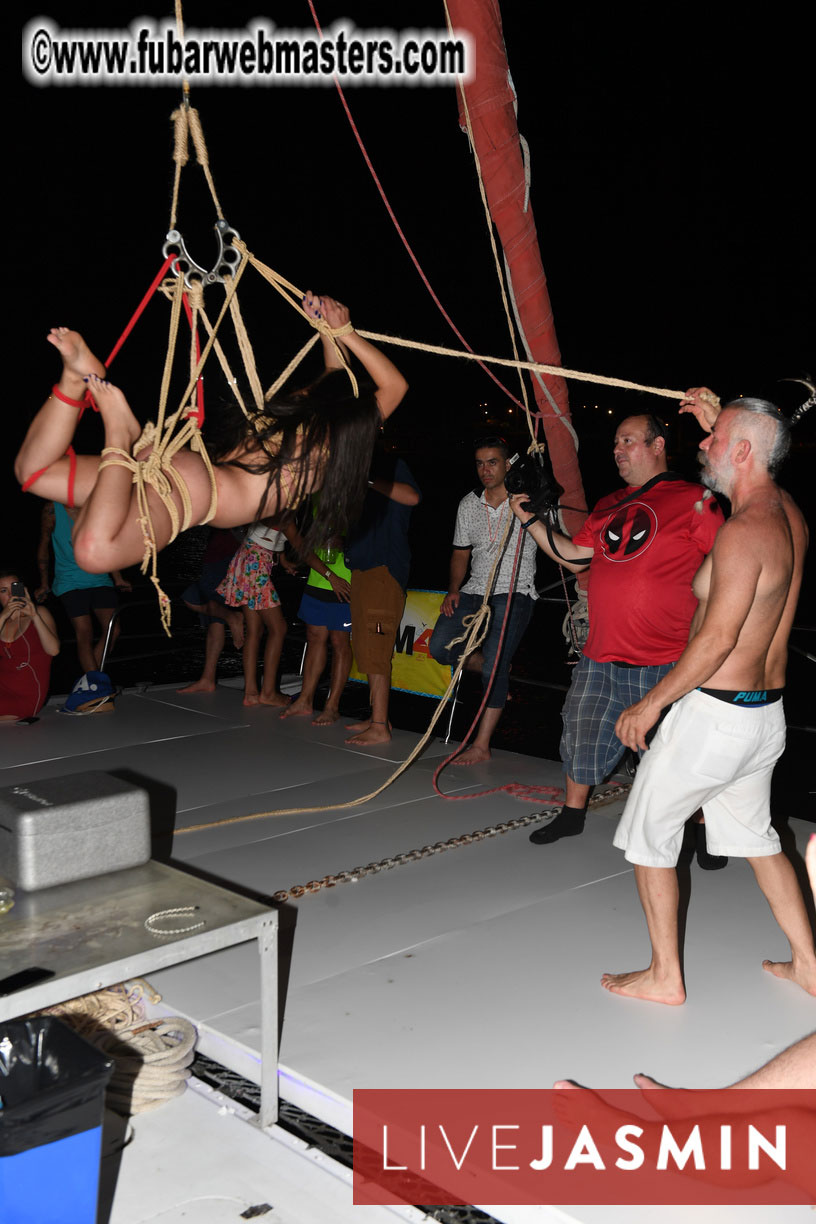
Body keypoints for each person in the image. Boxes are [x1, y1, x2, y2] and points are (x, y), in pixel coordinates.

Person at [604, 393, 815, 1004]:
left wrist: (652, 705)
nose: (701, 444)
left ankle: (665, 976)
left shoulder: (744, 534)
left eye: (714, 437)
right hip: (763, 718)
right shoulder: (787, 515)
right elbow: (744, 460)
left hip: (714, 719)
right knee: (757, 840)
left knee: (648, 837)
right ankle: (808, 963)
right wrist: (716, 420)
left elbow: (718, 640)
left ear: (744, 450)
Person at [15, 293, 408, 579]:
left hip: (181, 473)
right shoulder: (328, 442)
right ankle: (120, 432)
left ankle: (73, 378)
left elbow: (339, 380)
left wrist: (332, 331)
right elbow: (392, 386)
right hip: (200, 492)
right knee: (93, 552)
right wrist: (339, 331)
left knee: (33, 473)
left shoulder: (314, 426)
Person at [510, 412, 724, 843]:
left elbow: (727, 563)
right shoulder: (609, 504)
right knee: (580, 730)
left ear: (657, 445)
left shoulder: (696, 498)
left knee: (676, 753)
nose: (617, 449)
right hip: (601, 651)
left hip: (668, 657)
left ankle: (702, 828)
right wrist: (529, 518)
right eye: (615, 442)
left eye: (628, 441)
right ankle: (573, 813)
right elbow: (573, 556)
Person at [429, 436, 538, 764]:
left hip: (514, 591)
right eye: (480, 463)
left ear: (508, 464)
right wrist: (453, 589)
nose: (485, 470)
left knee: (494, 666)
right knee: (439, 648)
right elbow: (460, 554)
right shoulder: (468, 504)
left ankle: (481, 745)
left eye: (492, 462)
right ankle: (495, 670)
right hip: (474, 590)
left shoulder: (526, 500)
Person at [343, 449, 421, 746]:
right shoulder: (360, 478)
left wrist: (367, 480)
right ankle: (378, 717)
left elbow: (412, 497)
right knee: (365, 648)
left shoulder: (391, 464)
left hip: (384, 572)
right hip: (362, 572)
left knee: (376, 649)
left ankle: (379, 726)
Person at [35, 501, 131, 677]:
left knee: (113, 631)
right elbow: (44, 545)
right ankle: (95, 684)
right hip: (69, 581)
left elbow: (107, 545)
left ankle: (90, 680)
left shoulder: (94, 506)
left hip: (100, 577)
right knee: (85, 633)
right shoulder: (52, 510)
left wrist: (117, 578)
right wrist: (44, 583)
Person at [279, 506, 353, 725]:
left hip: (347, 580)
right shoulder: (318, 498)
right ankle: (305, 699)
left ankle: (332, 706)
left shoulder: (357, 496)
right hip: (318, 577)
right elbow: (302, 540)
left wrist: (345, 539)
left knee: (340, 640)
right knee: (314, 637)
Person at [217, 518, 290, 707]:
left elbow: (275, 537)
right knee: (278, 628)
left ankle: (251, 692)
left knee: (254, 630)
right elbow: (299, 542)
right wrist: (327, 573)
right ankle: (268, 692)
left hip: (247, 557)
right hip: (256, 562)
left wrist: (282, 559)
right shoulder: (286, 509)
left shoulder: (269, 502)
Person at [177, 527, 245, 694]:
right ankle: (208, 678)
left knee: (192, 598)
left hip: (224, 555)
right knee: (215, 620)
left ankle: (232, 617)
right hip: (219, 555)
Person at [0, 571, 60, 721]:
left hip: (25, 696)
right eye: (3, 591)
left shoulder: (39, 613)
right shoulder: (2, 621)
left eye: (13, 589)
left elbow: (53, 650)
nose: (10, 595)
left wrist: (34, 615)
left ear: (23, 590)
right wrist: (3, 616)